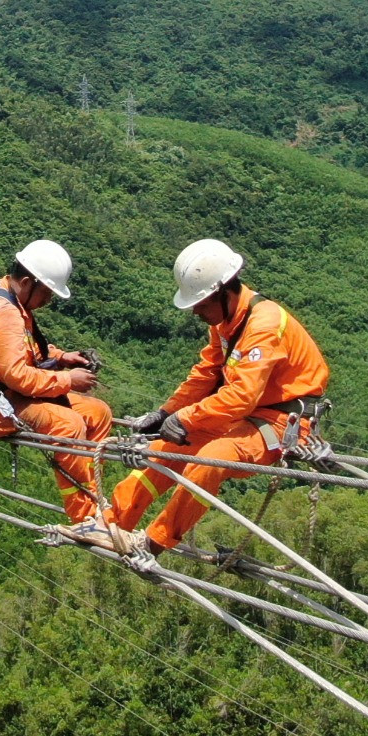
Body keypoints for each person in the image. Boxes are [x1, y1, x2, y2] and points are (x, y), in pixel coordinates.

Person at [109, 238, 330, 557]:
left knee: (212, 457)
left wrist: (185, 418)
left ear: (223, 291)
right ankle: (112, 524)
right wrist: (165, 412)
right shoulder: (227, 321)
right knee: (162, 450)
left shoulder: (264, 326)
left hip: (282, 423)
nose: (196, 311)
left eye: (200, 303)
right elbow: (208, 372)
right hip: (241, 417)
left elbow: (241, 395)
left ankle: (154, 541)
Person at [0, 239, 116, 535]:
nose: (48, 301)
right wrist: (69, 380)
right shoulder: (4, 314)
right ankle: (84, 517)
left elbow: (27, 350)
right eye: (47, 293)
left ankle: (92, 497)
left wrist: (61, 357)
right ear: (29, 283)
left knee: (98, 413)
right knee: (68, 426)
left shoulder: (9, 298)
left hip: (10, 395)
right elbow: (18, 375)